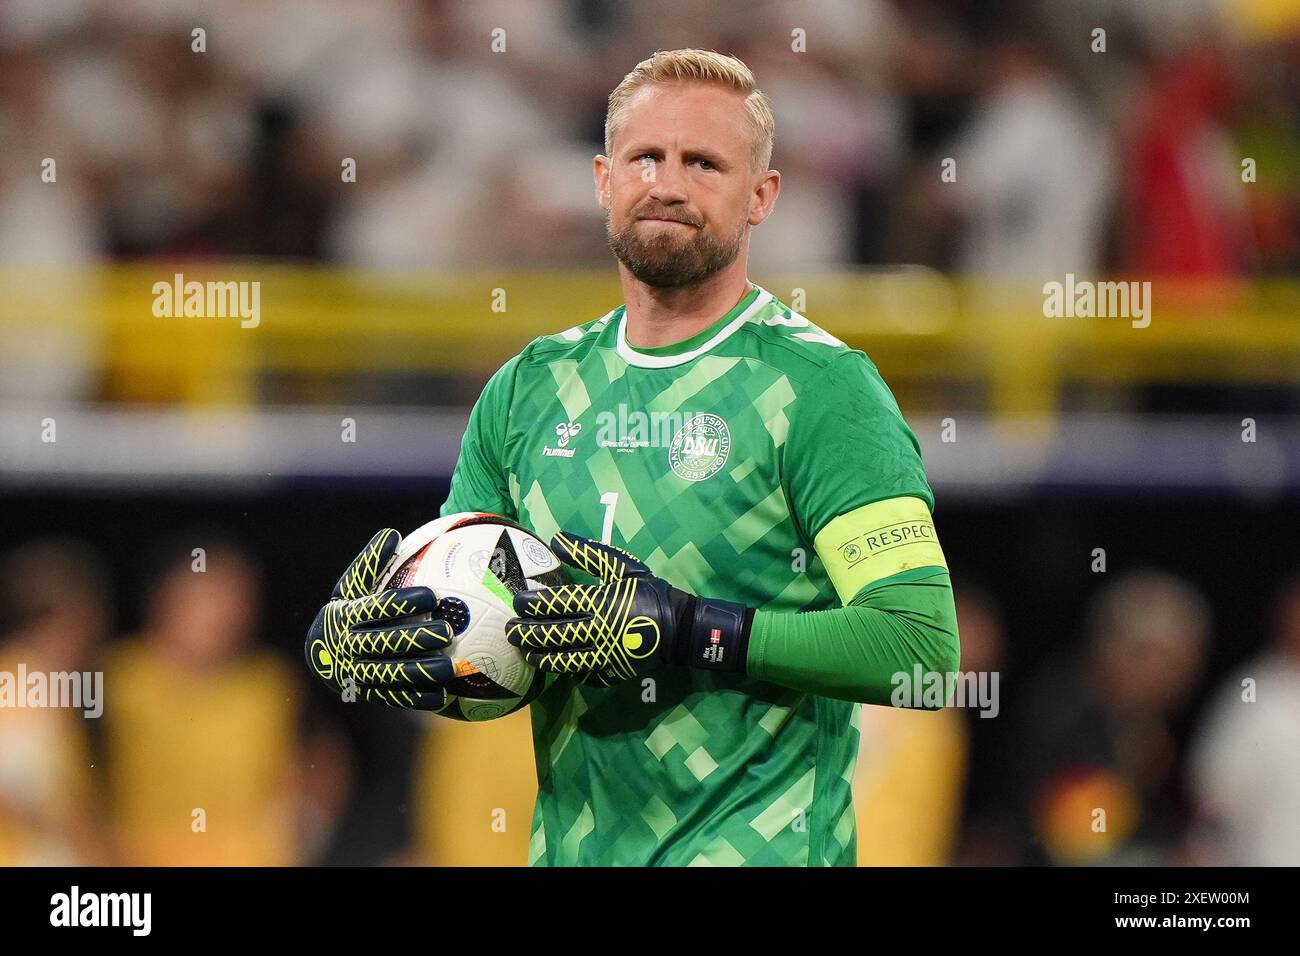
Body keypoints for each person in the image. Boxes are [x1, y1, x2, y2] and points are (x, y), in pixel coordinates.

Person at [305, 49, 960, 867]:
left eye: (704, 162)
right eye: (645, 157)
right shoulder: (524, 391)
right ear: (602, 180)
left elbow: (920, 653)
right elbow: (494, 660)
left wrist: (698, 630)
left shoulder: (826, 390)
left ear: (763, 197)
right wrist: (393, 653)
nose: (669, 184)